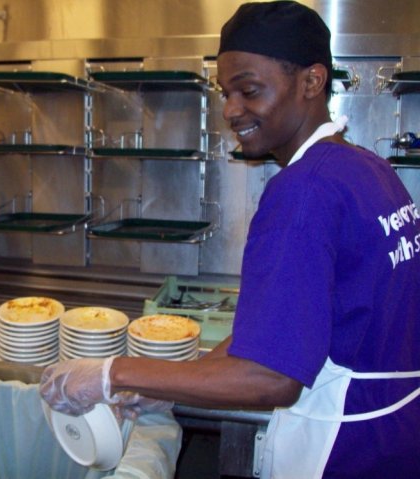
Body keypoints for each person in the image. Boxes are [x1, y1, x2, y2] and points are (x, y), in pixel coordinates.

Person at [40, 2, 420, 477]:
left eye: (249, 90)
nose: (230, 110)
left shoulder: (303, 191)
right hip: (396, 436)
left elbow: (271, 378)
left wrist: (109, 374)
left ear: (311, 81)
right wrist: (170, 382)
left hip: (343, 448)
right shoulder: (367, 168)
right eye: (226, 92)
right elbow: (280, 332)